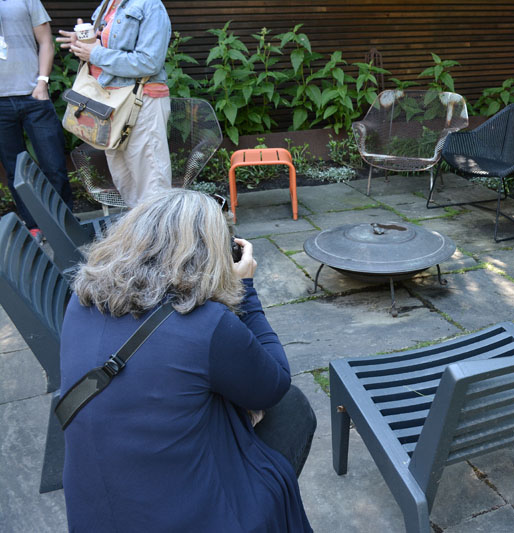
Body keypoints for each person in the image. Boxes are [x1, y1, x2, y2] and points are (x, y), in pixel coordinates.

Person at [60, 189, 316, 532]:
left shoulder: (80, 303)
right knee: (293, 409)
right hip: (190, 520)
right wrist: (246, 292)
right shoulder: (207, 324)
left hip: (96, 515)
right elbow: (274, 384)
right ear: (210, 255)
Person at [57, 0, 172, 207]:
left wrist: (95, 53)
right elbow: (110, 45)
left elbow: (149, 62)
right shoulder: (108, 3)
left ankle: (160, 237)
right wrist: (86, 43)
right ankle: (139, 235)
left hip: (141, 102)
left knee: (152, 187)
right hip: (110, 106)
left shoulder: (150, 5)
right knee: (125, 182)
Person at [0, 0, 72, 240]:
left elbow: (45, 41)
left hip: (34, 97)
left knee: (54, 166)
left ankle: (64, 223)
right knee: (14, 170)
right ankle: (33, 226)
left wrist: (42, 83)